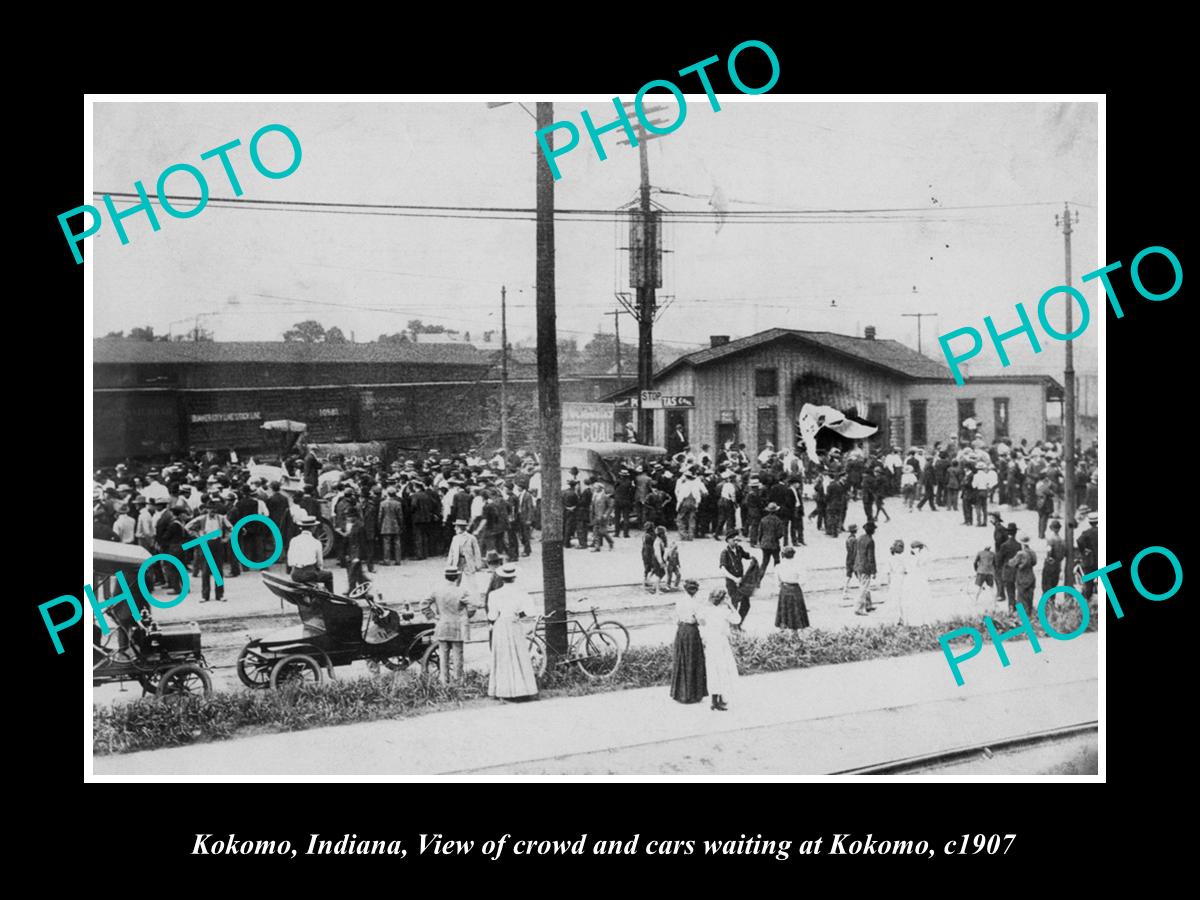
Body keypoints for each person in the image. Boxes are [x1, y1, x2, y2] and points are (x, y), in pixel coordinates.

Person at [486, 564, 539, 701]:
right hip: (514, 625)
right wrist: (518, 614)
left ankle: (504, 691)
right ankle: (524, 690)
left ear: (501, 578)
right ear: (514, 577)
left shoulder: (494, 594)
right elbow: (531, 612)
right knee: (519, 655)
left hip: (501, 626)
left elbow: (492, 616)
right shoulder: (521, 592)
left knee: (504, 658)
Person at [422, 566, 475, 684]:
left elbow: (423, 604)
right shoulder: (462, 591)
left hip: (442, 625)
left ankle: (444, 682)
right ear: (456, 577)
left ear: (445, 577)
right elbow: (472, 606)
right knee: (457, 657)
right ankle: (458, 682)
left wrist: (433, 616)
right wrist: (465, 616)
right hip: (458, 627)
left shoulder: (437, 590)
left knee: (443, 656)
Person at [696, 589, 741, 711]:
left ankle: (715, 699)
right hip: (721, 643)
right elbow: (737, 619)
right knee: (722, 670)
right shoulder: (724, 611)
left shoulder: (706, 610)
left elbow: (699, 619)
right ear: (722, 600)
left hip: (711, 642)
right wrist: (731, 604)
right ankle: (719, 699)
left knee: (712, 670)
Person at [670, 579, 708, 704]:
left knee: (682, 658)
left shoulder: (680, 601)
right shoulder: (696, 603)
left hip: (681, 630)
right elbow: (701, 620)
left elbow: (675, 618)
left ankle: (680, 694)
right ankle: (693, 694)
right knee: (693, 659)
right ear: (696, 591)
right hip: (692, 631)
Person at [185, 503, 233, 602]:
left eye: (214, 509)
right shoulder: (202, 519)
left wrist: (226, 538)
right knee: (205, 570)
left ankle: (220, 595)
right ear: (206, 509)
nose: (212, 511)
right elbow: (188, 527)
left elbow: (230, 528)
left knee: (218, 570)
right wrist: (197, 535)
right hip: (206, 544)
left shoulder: (221, 518)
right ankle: (205, 595)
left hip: (217, 543)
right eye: (210, 509)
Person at [287, 513, 335, 592]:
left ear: (301, 528)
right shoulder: (316, 542)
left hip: (295, 574)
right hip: (309, 574)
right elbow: (320, 564)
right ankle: (330, 598)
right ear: (313, 528)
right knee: (329, 575)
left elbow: (290, 561)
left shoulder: (294, 540)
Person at [718, 530, 754, 626]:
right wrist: (734, 579)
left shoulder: (739, 549)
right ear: (728, 540)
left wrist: (753, 559)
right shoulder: (724, 553)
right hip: (732, 583)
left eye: (738, 540)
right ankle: (732, 626)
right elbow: (723, 569)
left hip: (741, 582)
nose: (736, 542)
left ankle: (739, 624)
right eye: (734, 540)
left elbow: (747, 556)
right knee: (734, 605)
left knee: (746, 604)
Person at [774, 545, 809, 630]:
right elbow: (803, 580)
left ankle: (782, 629)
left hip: (784, 589)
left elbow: (777, 582)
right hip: (795, 589)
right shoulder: (799, 565)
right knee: (796, 612)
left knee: (784, 612)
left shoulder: (778, 566)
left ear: (783, 555)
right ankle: (795, 631)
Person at [853, 521, 878, 615]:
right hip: (865, 567)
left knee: (864, 585)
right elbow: (871, 557)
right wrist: (874, 570)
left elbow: (855, 552)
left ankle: (868, 605)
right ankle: (858, 608)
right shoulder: (870, 541)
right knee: (864, 587)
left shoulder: (859, 538)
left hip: (857, 565)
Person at [1013, 533, 1039, 619]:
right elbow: (1034, 562)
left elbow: (1013, 563)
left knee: (1021, 597)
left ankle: (1023, 618)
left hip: (1022, 577)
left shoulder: (1020, 553)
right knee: (1029, 597)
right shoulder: (1032, 552)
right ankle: (1029, 614)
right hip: (1031, 576)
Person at [378, 487, 404, 566]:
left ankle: (387, 560)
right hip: (395, 524)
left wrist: (379, 524)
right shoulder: (398, 503)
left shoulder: (382, 503)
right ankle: (398, 560)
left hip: (385, 524)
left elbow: (380, 516)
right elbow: (400, 516)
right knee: (397, 543)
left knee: (386, 543)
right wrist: (401, 524)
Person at [758, 502, 786, 572]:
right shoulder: (778, 520)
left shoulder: (763, 520)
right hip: (774, 544)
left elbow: (760, 533)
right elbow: (780, 534)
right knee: (777, 561)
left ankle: (758, 579)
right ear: (776, 511)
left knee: (764, 562)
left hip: (764, 544)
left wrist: (760, 542)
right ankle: (777, 577)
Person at [887, 539, 908, 624]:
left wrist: (889, 583)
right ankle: (902, 618)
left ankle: (896, 619)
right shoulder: (904, 558)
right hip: (902, 578)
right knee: (903, 599)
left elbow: (888, 573)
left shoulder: (890, 558)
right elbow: (907, 570)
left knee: (895, 600)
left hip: (894, 579)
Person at [589, 482, 614, 552]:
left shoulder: (605, 496)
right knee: (595, 531)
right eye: (594, 488)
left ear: (600, 488)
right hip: (595, 515)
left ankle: (610, 542)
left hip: (603, 516)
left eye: (596, 488)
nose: (595, 489)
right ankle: (597, 547)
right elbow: (593, 506)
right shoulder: (594, 495)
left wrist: (606, 514)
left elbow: (610, 506)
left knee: (603, 531)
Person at [642, 522, 665, 594]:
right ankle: (650, 582)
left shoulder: (645, 535)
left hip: (645, 551)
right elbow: (653, 547)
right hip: (649, 552)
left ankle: (647, 580)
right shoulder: (650, 536)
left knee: (648, 567)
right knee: (652, 567)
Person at [1043, 519, 1066, 593]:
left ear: (1051, 528)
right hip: (1058, 564)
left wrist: (1048, 559)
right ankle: (1052, 600)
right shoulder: (1062, 540)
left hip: (1050, 564)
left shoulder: (1050, 539)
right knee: (1054, 584)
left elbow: (1049, 552)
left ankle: (1047, 602)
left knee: (1046, 584)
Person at [841, 524, 860, 602]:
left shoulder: (848, 539)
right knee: (860, 577)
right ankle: (863, 592)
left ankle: (844, 593)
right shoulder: (854, 540)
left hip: (848, 558)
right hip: (853, 560)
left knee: (848, 576)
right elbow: (855, 551)